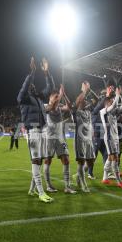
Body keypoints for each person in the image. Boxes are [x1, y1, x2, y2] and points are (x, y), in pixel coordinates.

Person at [17, 57, 54, 203]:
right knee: (36, 160)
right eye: (30, 85)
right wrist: (32, 73)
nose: (32, 86)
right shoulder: (23, 98)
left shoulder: (38, 98)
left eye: (33, 85)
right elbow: (23, 88)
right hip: (32, 131)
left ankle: (32, 189)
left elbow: (50, 88)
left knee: (40, 161)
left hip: (43, 130)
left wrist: (46, 73)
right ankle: (40, 192)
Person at [41, 58, 76, 194]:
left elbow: (70, 107)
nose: (56, 98)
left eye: (57, 96)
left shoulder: (60, 105)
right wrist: (59, 96)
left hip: (61, 137)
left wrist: (64, 95)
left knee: (66, 160)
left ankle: (67, 186)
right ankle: (49, 185)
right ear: (50, 97)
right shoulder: (46, 106)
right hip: (49, 138)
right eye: (54, 96)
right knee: (48, 161)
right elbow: (52, 106)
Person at [100, 86, 122, 187]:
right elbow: (114, 105)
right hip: (109, 138)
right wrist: (116, 94)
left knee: (110, 158)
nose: (112, 102)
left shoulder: (113, 112)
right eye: (110, 101)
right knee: (115, 158)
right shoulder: (103, 111)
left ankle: (104, 178)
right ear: (106, 103)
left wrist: (121, 95)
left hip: (115, 137)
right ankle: (119, 182)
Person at [74, 81, 95, 192]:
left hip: (89, 138)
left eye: (85, 100)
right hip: (80, 139)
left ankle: (78, 176)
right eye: (84, 100)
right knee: (81, 161)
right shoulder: (77, 111)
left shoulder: (88, 111)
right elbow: (78, 101)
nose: (85, 101)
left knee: (91, 161)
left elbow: (96, 100)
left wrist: (89, 90)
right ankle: (83, 183)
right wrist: (84, 90)